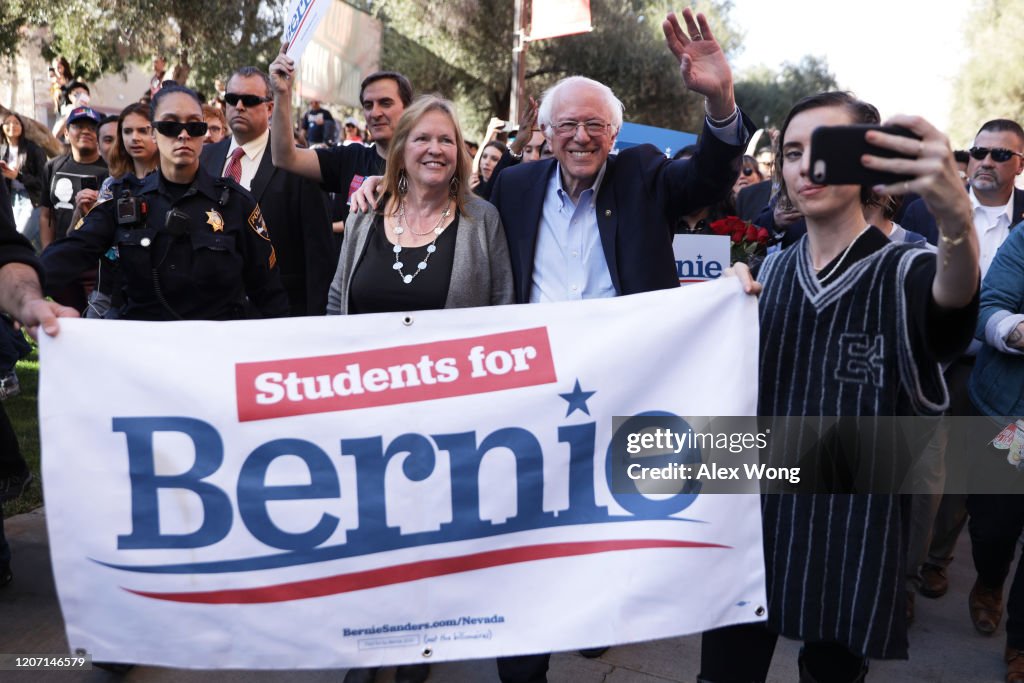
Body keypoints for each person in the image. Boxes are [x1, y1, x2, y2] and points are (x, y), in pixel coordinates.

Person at [487, 10, 751, 682]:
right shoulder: (512, 186)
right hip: (530, 398)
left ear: (615, 133)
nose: (581, 136)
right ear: (544, 133)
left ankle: (598, 610)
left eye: (595, 125)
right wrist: (380, 193)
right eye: (567, 124)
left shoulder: (644, 175)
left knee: (604, 531)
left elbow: (711, 180)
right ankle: (524, 660)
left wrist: (720, 98)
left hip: (625, 395)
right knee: (530, 540)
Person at [699, 91, 979, 683]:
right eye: (793, 151)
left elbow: (952, 301)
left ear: (869, 163)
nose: (807, 165)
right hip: (756, 521)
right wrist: (718, 309)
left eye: (827, 148)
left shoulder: (907, 269)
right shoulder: (765, 271)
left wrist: (956, 217)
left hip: (850, 535)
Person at [330, 95, 513, 683]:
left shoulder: (481, 220)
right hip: (366, 407)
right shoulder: (363, 214)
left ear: (459, 153)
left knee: (428, 535)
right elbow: (338, 300)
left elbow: (502, 309)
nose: (435, 150)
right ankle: (368, 641)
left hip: (445, 413)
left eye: (446, 140)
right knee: (370, 531)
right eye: (422, 139)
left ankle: (417, 646)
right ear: (400, 150)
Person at [41, 84, 288, 321]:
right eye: (170, 125)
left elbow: (269, 294)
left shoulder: (236, 204)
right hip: (143, 349)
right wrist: (24, 289)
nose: (183, 134)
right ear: (154, 133)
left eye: (194, 126)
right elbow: (71, 252)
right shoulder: (122, 198)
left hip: (215, 351)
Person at [201, 66, 334, 316]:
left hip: (280, 314)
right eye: (232, 99)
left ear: (270, 108)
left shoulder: (299, 165)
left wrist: (316, 323)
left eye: (250, 100)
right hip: (211, 314)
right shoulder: (204, 159)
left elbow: (319, 256)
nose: (239, 106)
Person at [964, 221, 1024, 682]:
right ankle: (988, 579)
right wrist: (1018, 330)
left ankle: (1020, 643)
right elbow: (988, 308)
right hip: (1011, 416)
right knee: (992, 529)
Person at [270, 46, 413, 235]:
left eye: (385, 103)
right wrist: (282, 94)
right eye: (368, 105)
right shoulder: (350, 157)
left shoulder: (428, 165)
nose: (375, 113)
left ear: (409, 109)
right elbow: (285, 157)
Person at [83, 102, 159, 319]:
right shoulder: (111, 184)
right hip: (111, 283)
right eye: (127, 131)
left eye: (143, 130)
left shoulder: (172, 182)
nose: (134, 138)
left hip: (156, 286)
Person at [0, 113, 47, 249]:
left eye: (16, 122)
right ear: (2, 127)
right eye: (8, 123)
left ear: (22, 127)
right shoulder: (2, 150)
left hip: (31, 198)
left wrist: (18, 176)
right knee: (38, 243)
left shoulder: (33, 149)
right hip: (10, 198)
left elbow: (43, 181)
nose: (12, 126)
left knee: (21, 236)